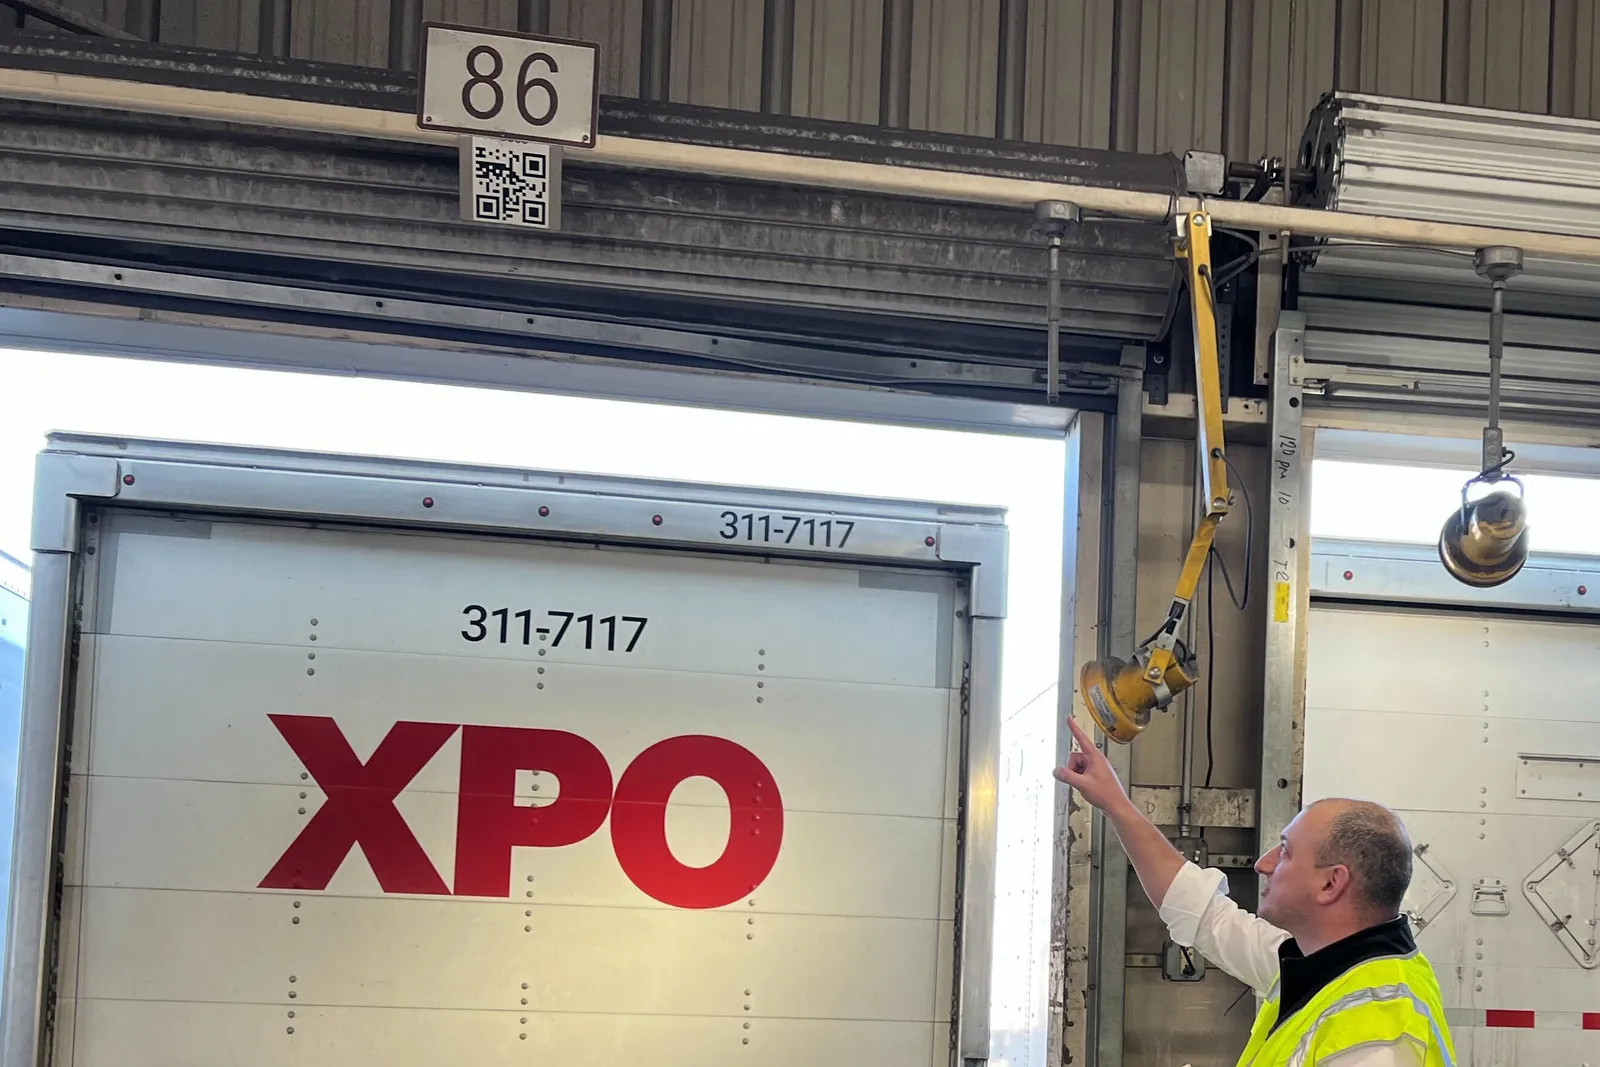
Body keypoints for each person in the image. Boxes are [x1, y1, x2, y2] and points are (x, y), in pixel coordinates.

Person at [1054, 716, 1455, 1067]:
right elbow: (1202, 911)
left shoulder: (1379, 1030)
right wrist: (1116, 804)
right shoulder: (1319, 964)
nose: (1263, 864)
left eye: (1286, 851)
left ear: (1331, 883)